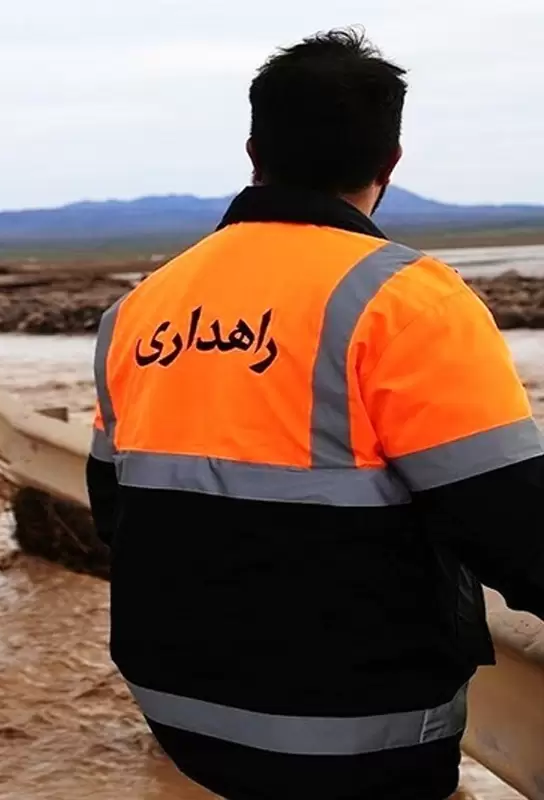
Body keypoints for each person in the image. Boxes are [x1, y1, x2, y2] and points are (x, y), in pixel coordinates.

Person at [87, 28, 544, 800]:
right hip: (361, 734)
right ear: (389, 163)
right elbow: (515, 531)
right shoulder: (407, 299)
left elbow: (113, 511)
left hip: (181, 712)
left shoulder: (139, 307)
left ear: (253, 151)